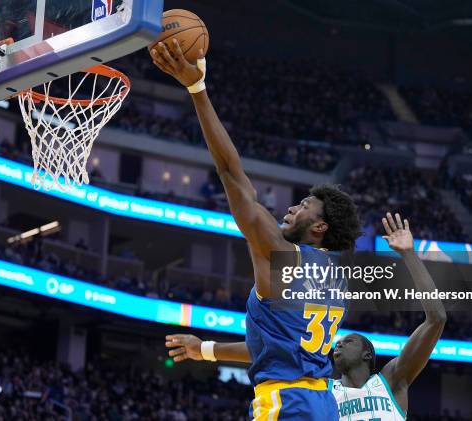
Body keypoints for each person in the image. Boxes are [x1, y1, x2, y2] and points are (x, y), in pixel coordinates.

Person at [153, 41, 361, 420]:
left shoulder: (280, 255)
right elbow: (274, 348)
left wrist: (197, 90)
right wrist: (205, 350)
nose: (293, 207)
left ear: (319, 226)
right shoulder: (337, 278)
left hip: (286, 404)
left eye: (304, 206)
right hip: (323, 406)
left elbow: (232, 173)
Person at [165, 214, 446, 420]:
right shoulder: (321, 390)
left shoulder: (391, 381)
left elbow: (436, 318)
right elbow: (270, 350)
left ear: (367, 355)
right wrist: (204, 350)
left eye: (348, 341)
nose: (338, 343)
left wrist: (409, 254)